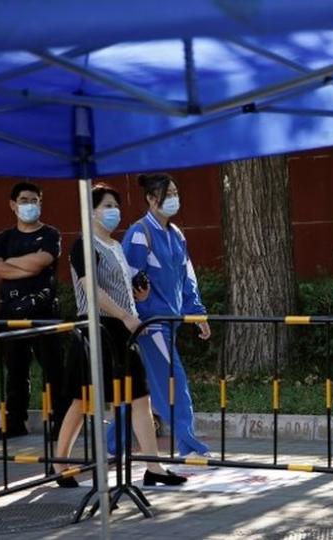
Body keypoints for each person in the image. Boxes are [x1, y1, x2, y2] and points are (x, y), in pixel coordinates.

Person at [53, 183, 186, 487]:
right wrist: (126, 314)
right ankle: (60, 463)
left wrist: (137, 298)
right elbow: (91, 290)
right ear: (91, 211)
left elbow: (119, 288)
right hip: (96, 328)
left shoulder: (115, 246)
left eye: (116, 206)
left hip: (123, 330)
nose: (114, 212)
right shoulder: (83, 246)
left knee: (140, 397)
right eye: (107, 206)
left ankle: (154, 468)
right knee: (83, 399)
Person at [117, 172, 212, 457]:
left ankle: (112, 444)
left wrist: (197, 313)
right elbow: (128, 282)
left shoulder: (175, 234)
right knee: (174, 382)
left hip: (168, 322)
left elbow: (187, 276)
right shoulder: (139, 234)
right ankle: (188, 444)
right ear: (150, 198)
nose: (173, 199)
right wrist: (139, 316)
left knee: (139, 392)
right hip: (151, 325)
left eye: (174, 193)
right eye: (166, 194)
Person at [0, 181, 70, 441]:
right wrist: (24, 265)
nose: (29, 205)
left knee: (53, 369)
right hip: (10, 310)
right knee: (15, 370)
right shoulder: (4, 238)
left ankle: (61, 423)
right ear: (13, 205)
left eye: (34, 200)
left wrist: (10, 264)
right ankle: (14, 423)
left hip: (43, 310)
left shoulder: (50, 234)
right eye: (24, 200)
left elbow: (41, 263)